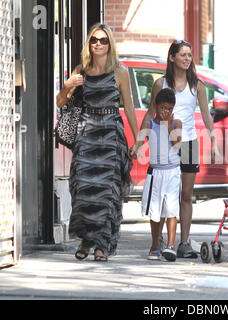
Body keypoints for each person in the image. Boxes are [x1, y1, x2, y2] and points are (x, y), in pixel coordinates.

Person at [56, 23, 138, 262]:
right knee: (83, 189)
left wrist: (139, 140)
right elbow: (61, 102)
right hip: (87, 135)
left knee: (107, 193)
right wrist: (69, 85)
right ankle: (85, 239)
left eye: (103, 40)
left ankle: (102, 244)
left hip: (111, 135)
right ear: (89, 44)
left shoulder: (119, 72)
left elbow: (130, 107)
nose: (98, 44)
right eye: (94, 40)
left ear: (110, 44)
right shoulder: (81, 71)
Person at [137, 40, 216, 258]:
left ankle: (183, 243)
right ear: (172, 57)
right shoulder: (160, 84)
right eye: (183, 55)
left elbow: (207, 115)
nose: (187, 59)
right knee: (162, 193)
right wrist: (139, 141)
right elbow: (149, 113)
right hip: (164, 145)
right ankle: (159, 241)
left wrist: (213, 140)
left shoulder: (197, 85)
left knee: (186, 195)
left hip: (189, 142)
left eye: (189, 55)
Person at [137, 88, 182, 261]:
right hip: (156, 171)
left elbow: (176, 143)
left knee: (171, 209)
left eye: (170, 109)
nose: (166, 112)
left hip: (172, 171)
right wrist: (135, 149)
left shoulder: (176, 123)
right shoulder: (149, 123)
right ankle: (155, 244)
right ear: (156, 107)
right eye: (163, 108)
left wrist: (168, 123)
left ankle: (170, 246)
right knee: (155, 211)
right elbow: (139, 142)